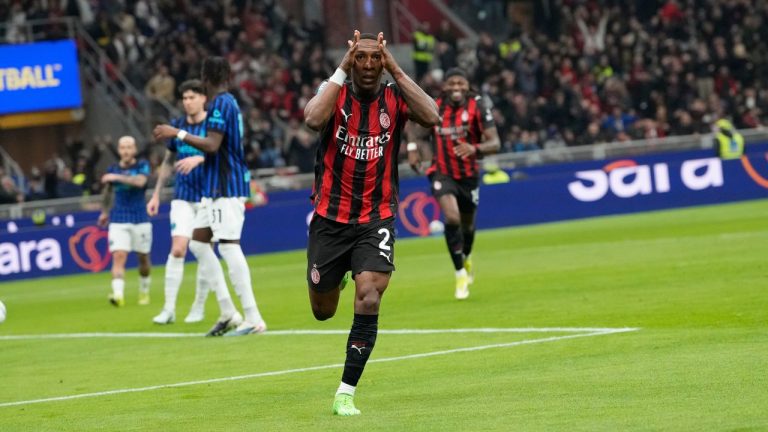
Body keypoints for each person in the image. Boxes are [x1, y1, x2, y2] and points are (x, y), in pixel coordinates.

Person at [303, 30, 439, 416]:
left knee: (369, 297)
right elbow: (313, 119)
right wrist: (341, 67)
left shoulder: (395, 98)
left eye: (373, 59)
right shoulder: (335, 93)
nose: (366, 66)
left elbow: (432, 116)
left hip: (376, 217)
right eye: (359, 59)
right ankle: (339, 274)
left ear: (382, 63)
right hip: (330, 219)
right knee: (323, 310)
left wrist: (395, 65)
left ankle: (345, 391)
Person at [153, 56, 266, 337]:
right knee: (199, 244)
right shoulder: (229, 103)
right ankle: (228, 311)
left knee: (228, 246)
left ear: (205, 77)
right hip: (215, 187)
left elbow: (213, 145)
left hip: (225, 186)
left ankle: (253, 318)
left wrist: (176, 133)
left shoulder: (220, 104)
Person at [407, 67, 500, 300]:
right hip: (441, 172)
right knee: (452, 218)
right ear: (445, 86)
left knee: (467, 227)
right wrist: (412, 148)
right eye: (452, 84)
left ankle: (466, 257)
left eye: (461, 83)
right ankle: (459, 272)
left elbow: (495, 142)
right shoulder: (435, 106)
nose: (456, 88)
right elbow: (413, 127)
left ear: (467, 86)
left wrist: (474, 148)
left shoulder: (478, 106)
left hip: (468, 175)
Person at [147, 79, 212, 325]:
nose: (188, 102)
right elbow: (167, 161)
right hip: (182, 198)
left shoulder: (212, 124)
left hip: (209, 196)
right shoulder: (177, 127)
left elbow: (224, 154)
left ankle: (199, 306)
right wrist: (155, 194)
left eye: (192, 97)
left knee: (205, 252)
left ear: (203, 98)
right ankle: (169, 308)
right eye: (184, 98)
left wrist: (200, 160)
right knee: (178, 248)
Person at [98, 136, 153, 307]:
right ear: (119, 150)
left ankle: (144, 291)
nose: (126, 151)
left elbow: (140, 182)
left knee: (143, 259)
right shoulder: (113, 168)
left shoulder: (142, 166)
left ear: (135, 149)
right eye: (123, 147)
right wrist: (105, 212)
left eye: (129, 147)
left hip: (140, 218)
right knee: (119, 256)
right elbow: (107, 192)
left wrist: (116, 177)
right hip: (119, 219)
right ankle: (118, 295)